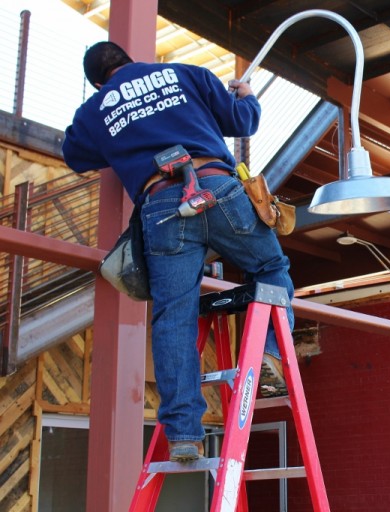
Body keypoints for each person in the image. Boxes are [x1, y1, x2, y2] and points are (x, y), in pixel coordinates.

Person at [62, 41, 294, 462]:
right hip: (218, 186)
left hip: (162, 205)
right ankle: (270, 353)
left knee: (173, 315)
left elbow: (74, 155)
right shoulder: (188, 74)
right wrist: (246, 96)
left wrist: (118, 128)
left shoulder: (95, 108)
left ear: (97, 82)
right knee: (270, 266)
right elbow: (242, 121)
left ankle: (184, 434)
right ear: (129, 60)